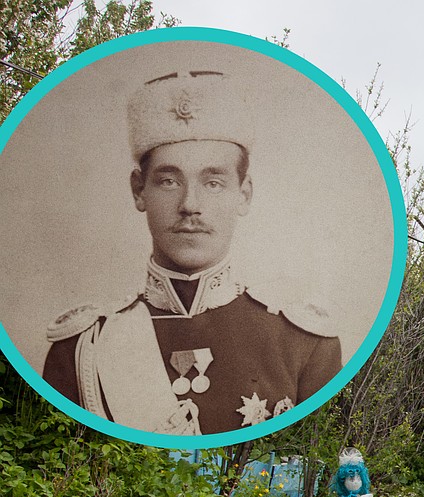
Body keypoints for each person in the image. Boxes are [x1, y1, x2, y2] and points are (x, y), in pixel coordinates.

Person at [42, 68, 341, 435]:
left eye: (213, 182)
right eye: (169, 181)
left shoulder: (304, 345)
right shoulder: (82, 348)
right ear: (139, 191)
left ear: (243, 194)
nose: (190, 205)